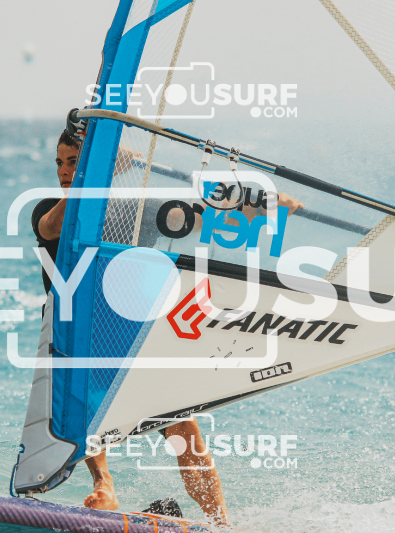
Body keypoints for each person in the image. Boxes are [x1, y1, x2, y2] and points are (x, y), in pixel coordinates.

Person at [31, 130, 302, 526]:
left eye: (74, 161)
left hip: (136, 335)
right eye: (61, 162)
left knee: (184, 429)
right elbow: (53, 228)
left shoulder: (139, 210)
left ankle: (220, 523)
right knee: (84, 405)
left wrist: (263, 208)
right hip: (78, 335)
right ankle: (104, 485)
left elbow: (207, 220)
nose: (64, 171)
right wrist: (92, 171)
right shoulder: (49, 209)